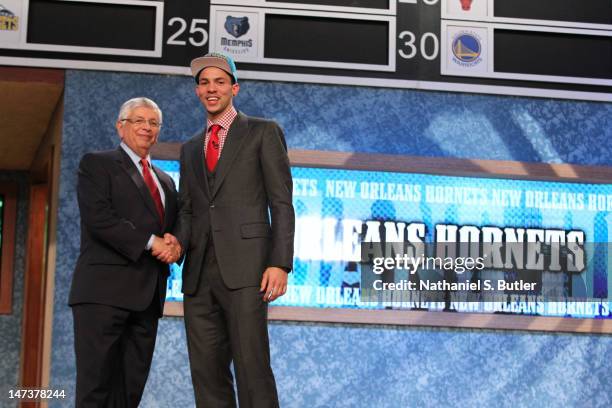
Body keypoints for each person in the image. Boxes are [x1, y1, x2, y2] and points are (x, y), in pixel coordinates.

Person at [168, 52, 295, 407]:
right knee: (207, 374)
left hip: (247, 271)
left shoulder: (263, 132)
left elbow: (281, 202)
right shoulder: (190, 148)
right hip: (197, 275)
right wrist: (177, 243)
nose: (212, 89)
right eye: (204, 83)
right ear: (197, 92)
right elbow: (189, 209)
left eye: (219, 82)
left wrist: (279, 263)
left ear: (234, 88)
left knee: (252, 369)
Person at [69, 97, 181, 407]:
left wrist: (175, 243)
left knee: (130, 392)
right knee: (96, 388)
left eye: (153, 123)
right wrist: (151, 242)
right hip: (103, 295)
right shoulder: (97, 164)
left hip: (147, 299)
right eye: (139, 121)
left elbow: (175, 227)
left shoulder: (166, 182)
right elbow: (100, 219)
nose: (147, 127)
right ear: (121, 127)